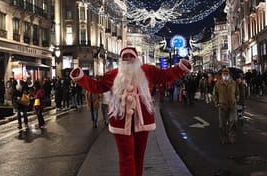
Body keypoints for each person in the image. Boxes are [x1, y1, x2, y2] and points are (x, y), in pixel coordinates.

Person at [69, 46, 191, 176]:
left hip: (142, 120)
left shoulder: (147, 70)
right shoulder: (113, 74)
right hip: (120, 120)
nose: (128, 59)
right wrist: (81, 77)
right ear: (121, 60)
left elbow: (165, 75)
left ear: (136, 58)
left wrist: (181, 68)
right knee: (126, 158)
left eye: (131, 56)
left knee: (139, 157)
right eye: (125, 56)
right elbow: (97, 87)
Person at [213, 67, 239, 144]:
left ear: (229, 74)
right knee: (222, 124)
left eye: (227, 72)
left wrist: (236, 99)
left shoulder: (233, 83)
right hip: (222, 105)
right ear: (222, 74)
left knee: (233, 121)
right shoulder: (218, 83)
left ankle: (231, 136)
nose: (225, 74)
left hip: (232, 105)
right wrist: (216, 103)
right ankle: (224, 138)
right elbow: (214, 94)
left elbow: (237, 93)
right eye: (224, 73)